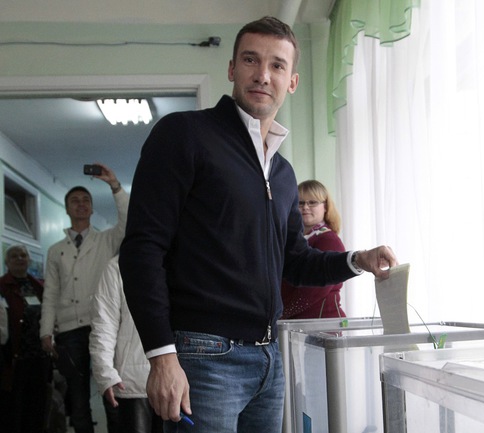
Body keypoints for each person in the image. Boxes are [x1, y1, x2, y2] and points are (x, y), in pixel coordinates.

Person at [118, 16, 398, 433]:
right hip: (203, 357)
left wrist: (358, 260)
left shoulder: (281, 172)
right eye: (251, 60)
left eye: (277, 65)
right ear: (232, 68)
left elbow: (296, 261)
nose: (263, 75)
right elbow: (142, 248)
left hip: (270, 360)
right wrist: (162, 355)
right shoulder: (184, 134)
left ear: (292, 81)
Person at [40, 163, 129, 433]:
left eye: (86, 201)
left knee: (111, 392)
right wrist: (46, 331)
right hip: (69, 330)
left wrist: (115, 186)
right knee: (78, 399)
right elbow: (50, 292)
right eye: (75, 201)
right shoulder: (56, 250)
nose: (81, 204)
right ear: (67, 209)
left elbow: (128, 220)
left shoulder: (107, 240)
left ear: (91, 208)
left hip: (103, 327)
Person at [89, 256, 163, 433]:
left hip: (178, 382)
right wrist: (105, 373)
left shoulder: (181, 259)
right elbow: (104, 325)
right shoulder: (117, 266)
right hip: (133, 383)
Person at [0, 244, 51, 433]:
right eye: (14, 256)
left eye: (23, 255)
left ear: (29, 260)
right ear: (7, 262)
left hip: (39, 358)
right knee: (13, 408)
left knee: (37, 407)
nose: (20, 259)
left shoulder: (39, 287)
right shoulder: (2, 286)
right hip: (13, 359)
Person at [281, 180, 348, 319]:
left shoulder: (329, 240)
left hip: (322, 325)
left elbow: (311, 293)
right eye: (300, 203)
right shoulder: (294, 240)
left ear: (325, 207)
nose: (305, 207)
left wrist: (279, 314)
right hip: (297, 324)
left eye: (312, 202)